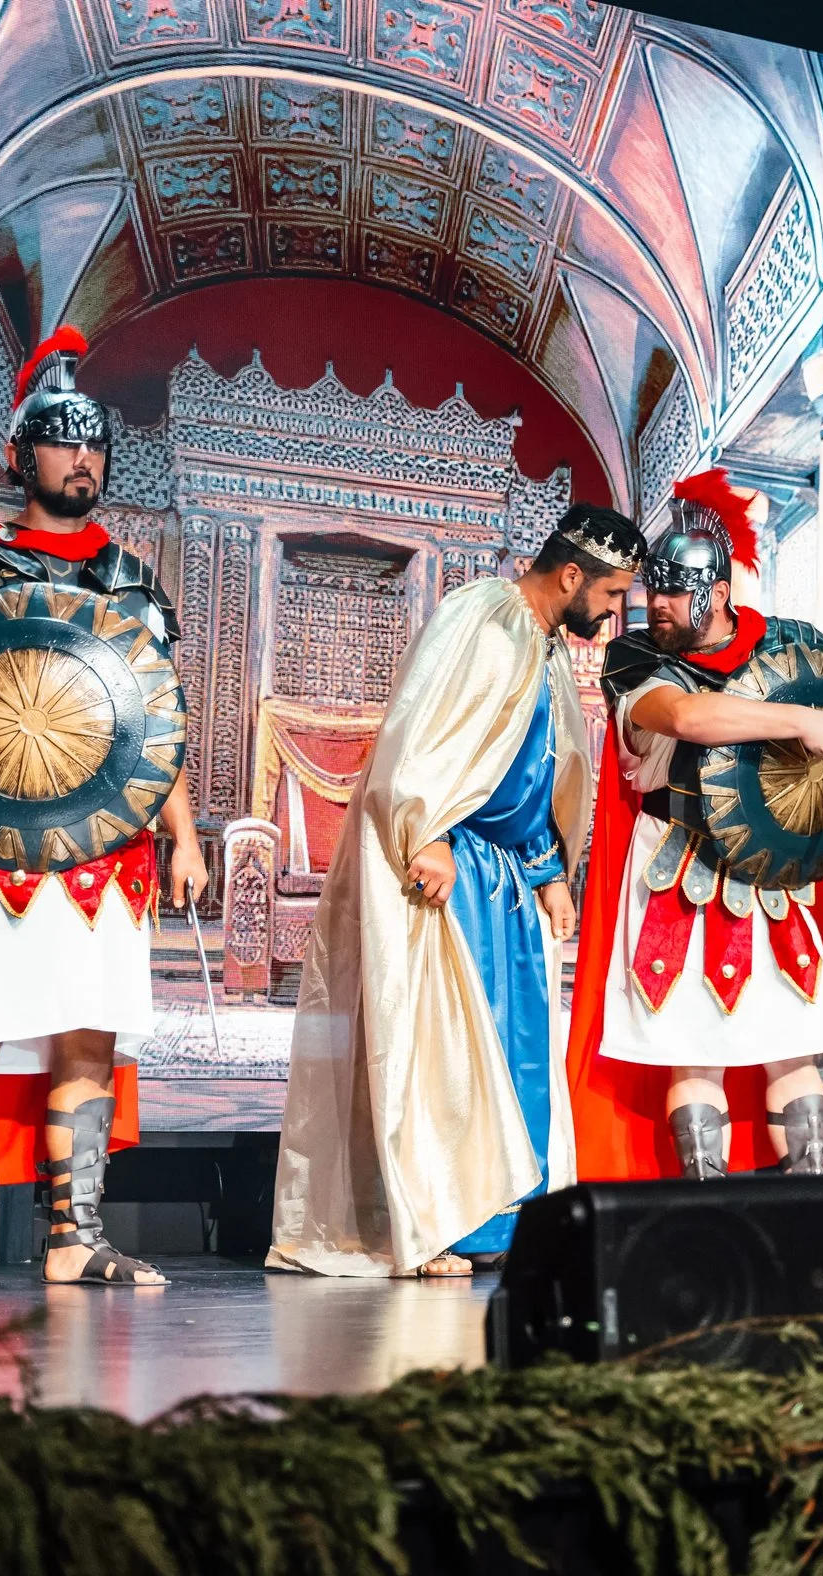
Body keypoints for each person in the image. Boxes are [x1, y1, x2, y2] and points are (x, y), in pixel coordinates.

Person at [0, 325, 208, 1290]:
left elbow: (156, 723)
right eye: (64, 443)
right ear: (23, 456)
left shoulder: (130, 583)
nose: (83, 460)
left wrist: (183, 832)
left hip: (105, 848)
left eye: (96, 445)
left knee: (87, 1035)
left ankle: (76, 1237)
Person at [265, 504, 638, 1277]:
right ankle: (441, 1222)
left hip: (503, 875)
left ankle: (502, 1223)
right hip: (450, 868)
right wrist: (425, 828)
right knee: (447, 1055)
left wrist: (547, 873)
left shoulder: (538, 645)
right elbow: (422, 729)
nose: (611, 614)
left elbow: (524, 767)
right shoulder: (483, 617)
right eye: (609, 596)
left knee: (511, 1049)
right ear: (572, 575)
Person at [569, 471, 823, 1181]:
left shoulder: (786, 646)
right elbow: (689, 718)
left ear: (719, 592)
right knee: (690, 1046)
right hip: (677, 869)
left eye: (672, 590)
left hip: (770, 875)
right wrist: (799, 720)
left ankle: (809, 1224)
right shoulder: (634, 656)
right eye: (650, 591)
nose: (656, 604)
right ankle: (709, 1222)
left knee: (794, 1045)